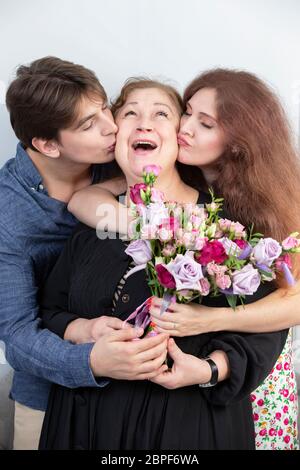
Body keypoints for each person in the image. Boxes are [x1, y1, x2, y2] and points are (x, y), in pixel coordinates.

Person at [38, 78, 287, 450]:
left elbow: (266, 329)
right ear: (115, 133)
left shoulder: (227, 227)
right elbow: (50, 310)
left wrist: (207, 370)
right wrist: (84, 329)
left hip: (190, 426)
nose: (144, 123)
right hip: (86, 424)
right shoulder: (94, 220)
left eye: (161, 114)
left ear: (178, 137)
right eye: (131, 113)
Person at [0, 57, 166, 450]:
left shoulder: (120, 160)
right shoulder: (8, 214)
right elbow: (18, 334)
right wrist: (90, 361)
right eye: (89, 125)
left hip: (141, 404)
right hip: (49, 398)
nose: (112, 128)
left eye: (105, 109)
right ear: (46, 144)